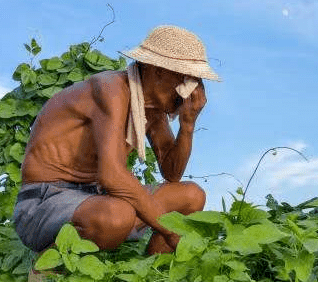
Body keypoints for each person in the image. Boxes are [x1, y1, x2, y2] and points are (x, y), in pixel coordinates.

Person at [13, 25, 220, 255]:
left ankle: (152, 278)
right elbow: (112, 176)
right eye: (186, 78)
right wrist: (171, 232)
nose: (190, 90)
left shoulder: (153, 109)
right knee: (117, 216)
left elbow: (172, 173)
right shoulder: (111, 89)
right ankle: (47, 274)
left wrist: (188, 125)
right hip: (44, 201)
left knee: (191, 196)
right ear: (157, 70)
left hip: (96, 198)